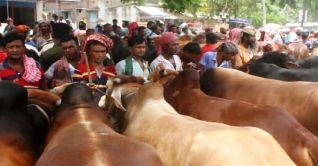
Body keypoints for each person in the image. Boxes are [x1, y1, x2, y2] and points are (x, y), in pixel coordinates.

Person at [73, 34, 116, 102]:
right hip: (88, 107)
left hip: (107, 108)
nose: (100, 55)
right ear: (89, 52)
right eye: (96, 52)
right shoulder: (81, 69)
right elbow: (75, 89)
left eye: (103, 51)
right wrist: (86, 88)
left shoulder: (112, 70)